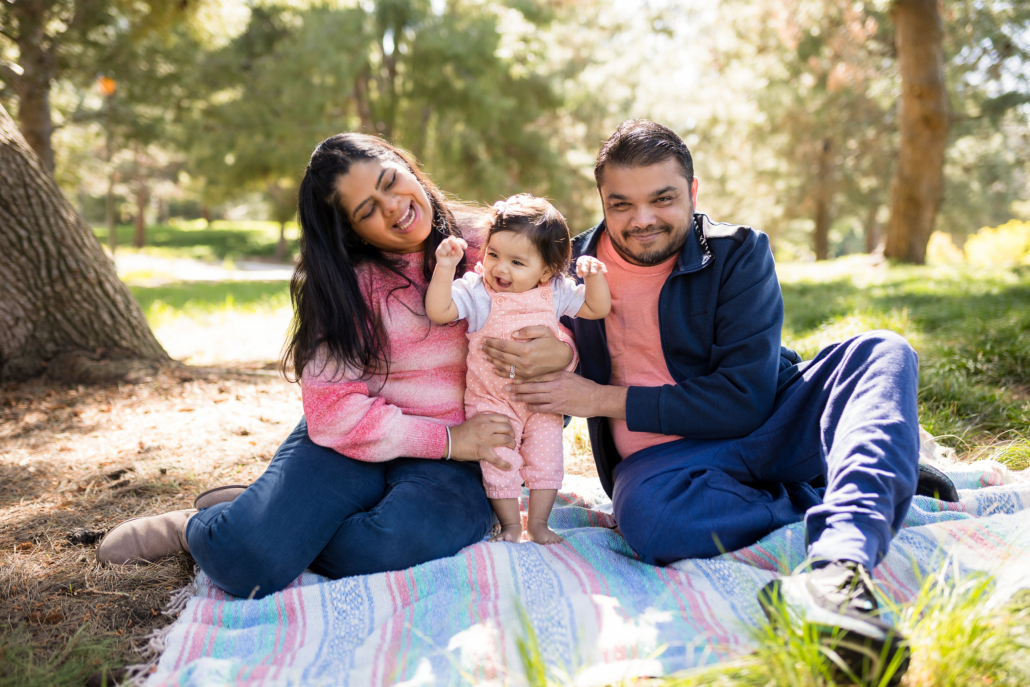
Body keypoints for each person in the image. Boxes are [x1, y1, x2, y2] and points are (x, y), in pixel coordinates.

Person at [503, 119, 941, 682]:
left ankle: (837, 572)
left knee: (882, 350)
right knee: (650, 524)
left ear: (692, 191)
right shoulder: (565, 270)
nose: (642, 220)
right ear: (601, 202)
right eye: (621, 204)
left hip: (768, 421)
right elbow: (537, 369)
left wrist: (597, 397)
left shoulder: (738, 251)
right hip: (664, 465)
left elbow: (743, 400)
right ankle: (857, 478)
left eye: (663, 199)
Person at [96, 133, 578, 599]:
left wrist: (562, 351)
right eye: (367, 209)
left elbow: (552, 307)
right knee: (248, 563)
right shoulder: (342, 286)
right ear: (350, 229)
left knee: (390, 541)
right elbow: (334, 411)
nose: (391, 206)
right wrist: (447, 440)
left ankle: (272, 518)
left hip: (464, 453)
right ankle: (215, 527)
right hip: (358, 436)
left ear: (409, 168)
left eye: (390, 182)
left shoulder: (491, 243)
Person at [426, 194, 611, 544]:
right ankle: (510, 524)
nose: (500, 268)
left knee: (547, 460)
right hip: (492, 402)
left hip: (542, 399)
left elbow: (595, 307)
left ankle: (539, 523)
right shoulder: (479, 291)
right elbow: (439, 310)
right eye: (493, 254)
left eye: (516, 261)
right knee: (499, 461)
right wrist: (446, 267)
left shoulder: (554, 291)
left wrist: (595, 277)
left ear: (545, 270)